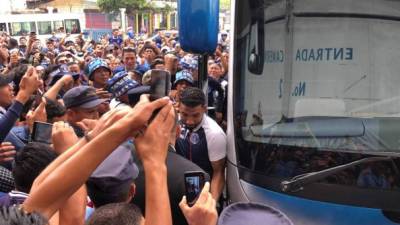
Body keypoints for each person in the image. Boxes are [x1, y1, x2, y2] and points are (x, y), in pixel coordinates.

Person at [175, 87, 227, 201]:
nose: (189, 121)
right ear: (178, 107)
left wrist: (212, 203)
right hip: (176, 188)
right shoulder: (174, 121)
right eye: (184, 114)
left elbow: (218, 173)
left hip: (202, 193)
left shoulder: (215, 134)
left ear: (204, 109)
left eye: (195, 115)